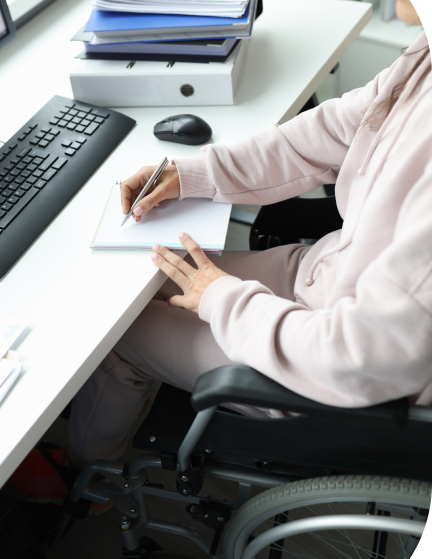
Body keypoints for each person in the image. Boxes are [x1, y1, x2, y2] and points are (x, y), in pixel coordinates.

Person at [7, 0, 432, 502]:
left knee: (113, 331)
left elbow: (357, 357)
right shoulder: (423, 57)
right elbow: (329, 133)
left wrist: (221, 297)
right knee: (136, 276)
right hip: (328, 279)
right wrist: (192, 175)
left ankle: (84, 487)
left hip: (321, 365)